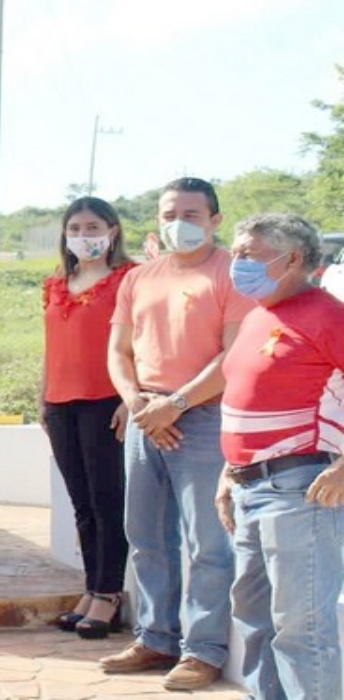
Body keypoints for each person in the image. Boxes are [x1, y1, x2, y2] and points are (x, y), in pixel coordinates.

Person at [100, 177, 252, 691]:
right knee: (145, 537)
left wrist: (177, 404)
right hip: (146, 415)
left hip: (204, 419)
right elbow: (119, 350)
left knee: (207, 542)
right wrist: (137, 402)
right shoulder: (139, 278)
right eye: (169, 214)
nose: (178, 224)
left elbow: (233, 356)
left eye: (190, 214)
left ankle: (203, 650)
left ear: (214, 220)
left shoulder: (231, 274)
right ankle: (155, 638)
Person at [215, 214, 344, 700]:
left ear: (290, 259)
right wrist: (228, 474)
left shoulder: (327, 314)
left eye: (248, 253)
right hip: (249, 487)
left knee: (300, 627)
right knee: (254, 618)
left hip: (299, 487)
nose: (236, 261)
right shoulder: (258, 315)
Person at [40, 197, 136, 639]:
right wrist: (43, 397)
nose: (83, 235)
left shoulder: (129, 279)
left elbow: (142, 342)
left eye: (92, 226)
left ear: (112, 230)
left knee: (106, 501)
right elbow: (51, 346)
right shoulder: (58, 282)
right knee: (81, 504)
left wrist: (128, 397)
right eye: (75, 227)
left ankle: (110, 594)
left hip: (104, 400)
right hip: (61, 403)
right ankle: (91, 587)